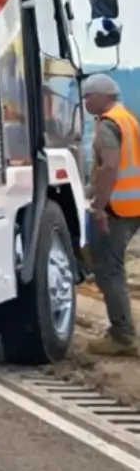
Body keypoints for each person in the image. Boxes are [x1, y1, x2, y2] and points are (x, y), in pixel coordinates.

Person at [82, 73, 140, 355]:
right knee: (113, 266)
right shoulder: (127, 119)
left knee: (108, 269)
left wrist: (98, 208)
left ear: (103, 95)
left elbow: (110, 167)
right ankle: (123, 331)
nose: (85, 101)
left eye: (87, 96)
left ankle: (122, 336)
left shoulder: (108, 124)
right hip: (133, 205)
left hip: (116, 208)